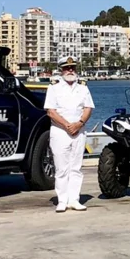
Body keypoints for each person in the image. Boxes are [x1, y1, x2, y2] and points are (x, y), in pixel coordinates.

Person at [46, 57, 95, 213]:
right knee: (61, 168)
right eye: (67, 68)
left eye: (73, 67)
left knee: (76, 167)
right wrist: (67, 125)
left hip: (79, 130)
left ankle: (74, 199)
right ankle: (62, 200)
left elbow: (88, 108)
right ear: (61, 70)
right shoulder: (54, 88)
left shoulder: (83, 87)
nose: (70, 71)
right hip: (60, 131)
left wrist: (79, 124)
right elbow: (51, 112)